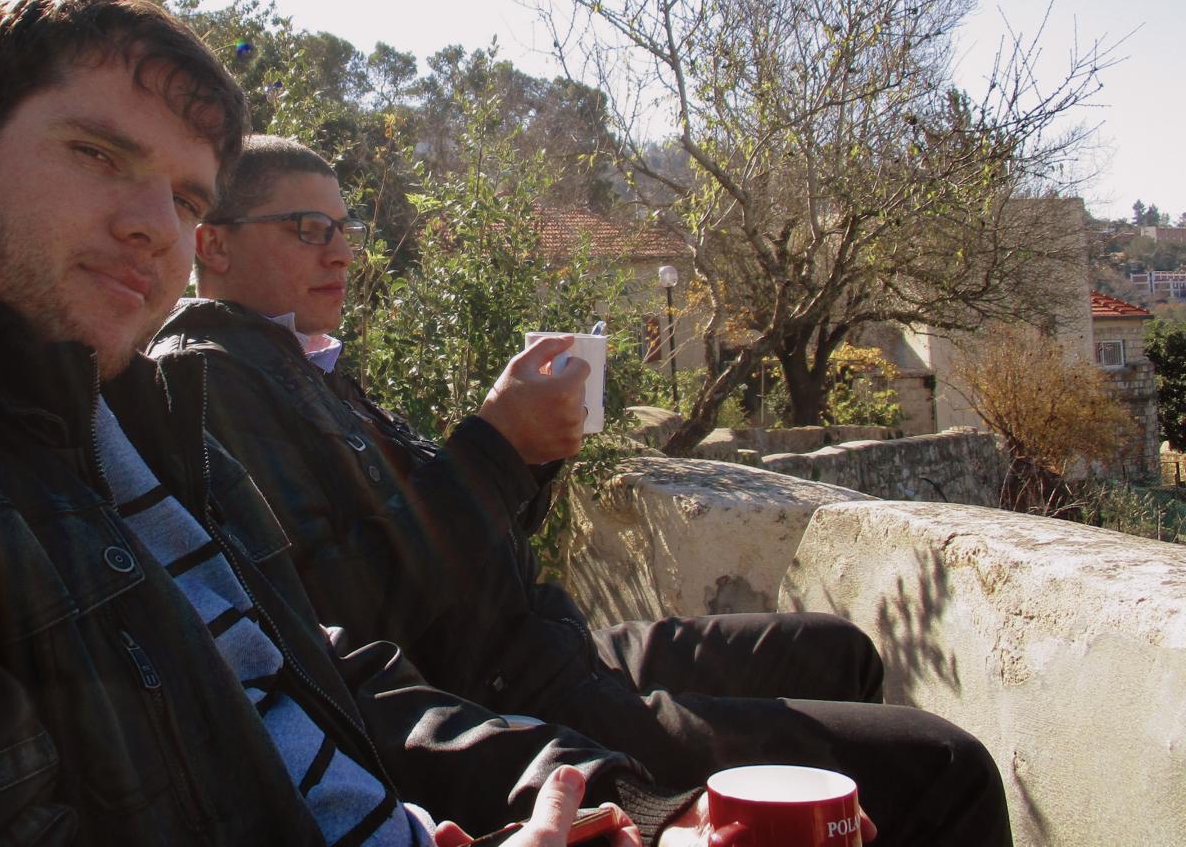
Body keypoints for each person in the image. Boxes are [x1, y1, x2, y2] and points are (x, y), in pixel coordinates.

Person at [0, 0, 676, 845]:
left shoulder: (128, 425)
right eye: (98, 155)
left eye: (185, 198)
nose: (155, 229)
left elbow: (307, 671)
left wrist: (597, 790)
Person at [149, 135, 1015, 847]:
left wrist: (530, 455)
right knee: (946, 768)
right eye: (308, 229)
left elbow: (451, 540)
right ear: (211, 244)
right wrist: (495, 445)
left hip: (556, 645)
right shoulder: (213, 383)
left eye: (344, 228)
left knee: (839, 651)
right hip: (515, 691)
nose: (342, 251)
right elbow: (350, 614)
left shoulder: (307, 364)